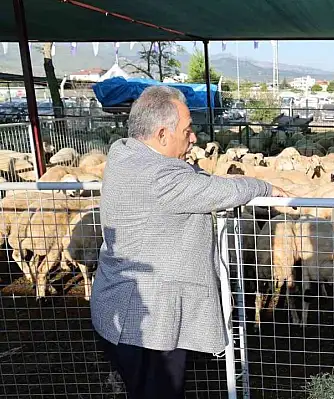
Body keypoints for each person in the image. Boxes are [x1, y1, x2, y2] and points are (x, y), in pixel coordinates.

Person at [90, 86, 290, 398]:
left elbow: (193, 181)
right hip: (147, 326)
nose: (194, 137)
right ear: (161, 135)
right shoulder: (159, 177)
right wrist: (263, 186)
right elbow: (217, 192)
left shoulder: (124, 154)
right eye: (187, 130)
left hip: (124, 312)